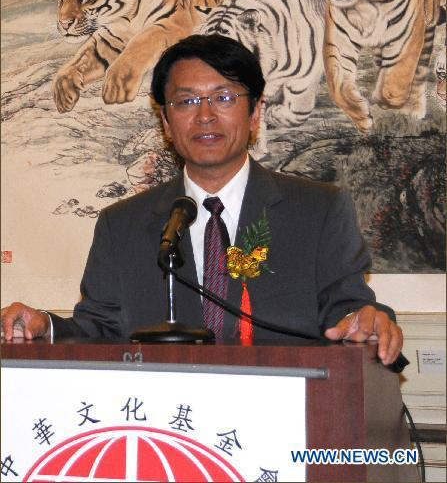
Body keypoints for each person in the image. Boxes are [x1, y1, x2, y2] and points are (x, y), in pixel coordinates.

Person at [1, 34, 403, 365]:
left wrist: (366, 321)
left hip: (286, 420)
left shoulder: (317, 210)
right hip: (169, 430)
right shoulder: (121, 223)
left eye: (224, 97)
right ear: (165, 121)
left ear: (256, 110)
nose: (205, 116)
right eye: (187, 101)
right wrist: (44, 326)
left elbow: (348, 310)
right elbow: (99, 330)